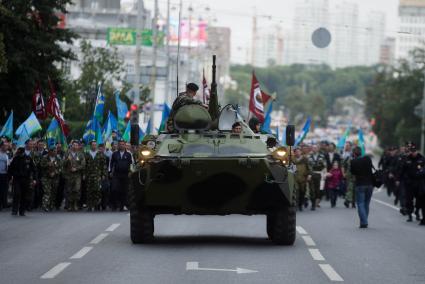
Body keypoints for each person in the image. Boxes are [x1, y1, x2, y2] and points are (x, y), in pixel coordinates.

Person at [398, 142, 425, 222]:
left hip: (419, 183)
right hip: (409, 183)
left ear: (416, 151)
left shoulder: (422, 159)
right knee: (409, 200)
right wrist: (399, 180)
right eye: (412, 151)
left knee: (419, 200)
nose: (413, 153)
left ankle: (417, 212)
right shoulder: (407, 159)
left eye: (414, 151)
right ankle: (410, 215)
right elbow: (402, 171)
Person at [8, 146, 36, 216]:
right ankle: (14, 210)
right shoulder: (15, 159)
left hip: (26, 179)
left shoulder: (29, 159)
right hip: (17, 179)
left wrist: (35, 179)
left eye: (20, 153)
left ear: (23, 153)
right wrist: (10, 177)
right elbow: (10, 169)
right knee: (17, 194)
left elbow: (34, 169)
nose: (19, 154)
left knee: (24, 195)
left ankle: (22, 211)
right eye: (18, 153)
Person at [350, 146, 374, 228]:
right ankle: (364, 221)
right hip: (370, 184)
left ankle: (364, 222)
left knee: (360, 203)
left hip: (360, 184)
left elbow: (353, 173)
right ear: (361, 152)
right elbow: (371, 168)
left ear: (354, 154)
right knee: (366, 204)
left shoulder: (353, 161)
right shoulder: (367, 159)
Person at [109, 140, 133, 211]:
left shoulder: (129, 154)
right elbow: (111, 163)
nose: (121, 145)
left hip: (125, 175)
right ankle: (115, 204)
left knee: (124, 190)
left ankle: (123, 205)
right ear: (118, 145)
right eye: (120, 144)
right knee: (114, 189)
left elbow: (131, 164)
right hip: (116, 174)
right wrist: (110, 171)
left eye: (123, 144)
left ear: (125, 145)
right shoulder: (114, 154)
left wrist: (130, 172)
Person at [84, 140, 107, 211]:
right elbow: (85, 165)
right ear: (90, 146)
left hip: (97, 175)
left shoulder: (100, 154)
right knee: (89, 190)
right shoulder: (87, 154)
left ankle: (97, 205)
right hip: (89, 175)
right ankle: (89, 205)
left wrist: (103, 174)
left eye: (95, 145)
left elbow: (104, 165)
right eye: (93, 145)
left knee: (97, 190)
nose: (94, 146)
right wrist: (84, 174)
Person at [63, 140, 86, 211]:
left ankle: (75, 204)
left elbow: (83, 164)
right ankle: (70, 205)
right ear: (71, 145)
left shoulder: (81, 154)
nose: (75, 146)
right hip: (69, 175)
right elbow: (63, 164)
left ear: (78, 146)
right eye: (74, 145)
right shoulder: (67, 153)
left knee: (77, 189)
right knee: (69, 190)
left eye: (76, 145)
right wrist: (67, 160)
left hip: (77, 175)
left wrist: (76, 168)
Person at [40, 146, 62, 212]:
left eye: (55, 151)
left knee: (53, 192)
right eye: (53, 151)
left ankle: (51, 205)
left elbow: (61, 168)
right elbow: (41, 166)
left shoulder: (58, 158)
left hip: (55, 178)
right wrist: (47, 164)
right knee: (47, 192)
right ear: (50, 151)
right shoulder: (45, 158)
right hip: (46, 177)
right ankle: (45, 205)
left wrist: (55, 172)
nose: (55, 152)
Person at [308, 144, 326, 210]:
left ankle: (316, 201)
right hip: (312, 174)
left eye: (316, 148)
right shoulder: (309, 156)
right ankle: (313, 204)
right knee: (312, 190)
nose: (314, 149)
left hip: (319, 174)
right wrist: (309, 175)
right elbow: (308, 167)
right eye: (313, 148)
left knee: (318, 190)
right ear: (312, 149)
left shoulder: (322, 156)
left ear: (318, 149)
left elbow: (324, 166)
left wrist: (324, 175)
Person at [0, 141, 9, 210]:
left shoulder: (7, 154)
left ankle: (4, 204)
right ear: (2, 146)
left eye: (7, 146)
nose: (7, 147)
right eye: (5, 146)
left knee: (4, 189)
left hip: (5, 174)